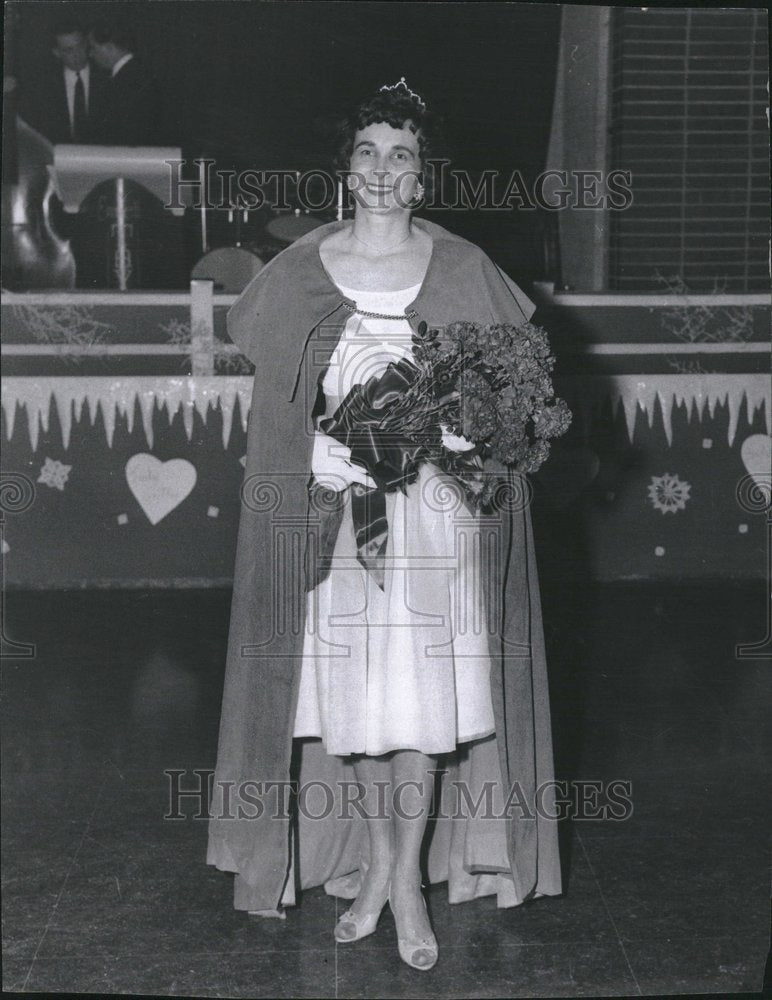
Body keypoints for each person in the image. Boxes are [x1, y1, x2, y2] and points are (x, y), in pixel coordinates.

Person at [207, 79, 562, 972]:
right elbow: (276, 413)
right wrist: (310, 458)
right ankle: (373, 868)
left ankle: (404, 880)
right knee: (357, 708)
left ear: (421, 177)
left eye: (400, 155)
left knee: (421, 709)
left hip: (434, 525)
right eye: (366, 152)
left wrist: (457, 433)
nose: (380, 169)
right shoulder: (296, 272)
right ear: (346, 170)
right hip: (335, 527)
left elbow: (507, 409)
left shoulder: (465, 270)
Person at [17, 18, 109, 146]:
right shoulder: (43, 85)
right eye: (69, 50)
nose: (77, 54)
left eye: (80, 46)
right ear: (57, 53)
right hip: (58, 157)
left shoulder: (107, 77)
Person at [87, 21, 160, 146]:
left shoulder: (126, 81)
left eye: (93, 48)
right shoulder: (140, 73)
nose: (90, 54)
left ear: (109, 47)